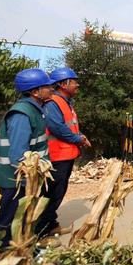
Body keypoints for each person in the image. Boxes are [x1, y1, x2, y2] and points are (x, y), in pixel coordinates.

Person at [0, 68, 54, 246]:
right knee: (9, 218)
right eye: (46, 86)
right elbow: (18, 154)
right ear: (35, 92)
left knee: (19, 216)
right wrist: (27, 179)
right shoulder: (22, 114)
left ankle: (15, 248)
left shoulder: (35, 110)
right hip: (14, 178)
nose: (51, 89)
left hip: (22, 177)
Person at [35, 67, 90, 238]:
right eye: (73, 81)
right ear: (63, 84)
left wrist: (79, 135)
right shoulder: (53, 103)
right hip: (57, 156)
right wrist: (78, 139)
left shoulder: (65, 102)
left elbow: (69, 125)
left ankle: (51, 224)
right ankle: (41, 232)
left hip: (66, 155)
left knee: (57, 193)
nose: (77, 85)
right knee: (52, 194)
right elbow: (57, 128)